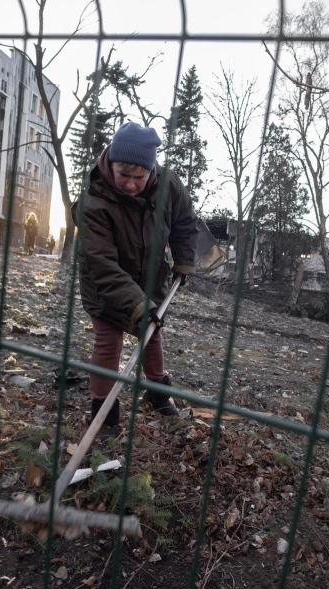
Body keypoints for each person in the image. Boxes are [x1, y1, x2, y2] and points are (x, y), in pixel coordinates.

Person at [76, 122, 197, 432]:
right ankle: (104, 413)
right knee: (109, 341)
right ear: (111, 164)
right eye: (123, 175)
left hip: (148, 278)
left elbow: (184, 222)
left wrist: (184, 260)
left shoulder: (169, 185)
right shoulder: (94, 201)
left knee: (152, 335)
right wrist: (137, 305)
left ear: (151, 170)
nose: (130, 184)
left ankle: (158, 393)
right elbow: (101, 262)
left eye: (138, 177)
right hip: (104, 284)